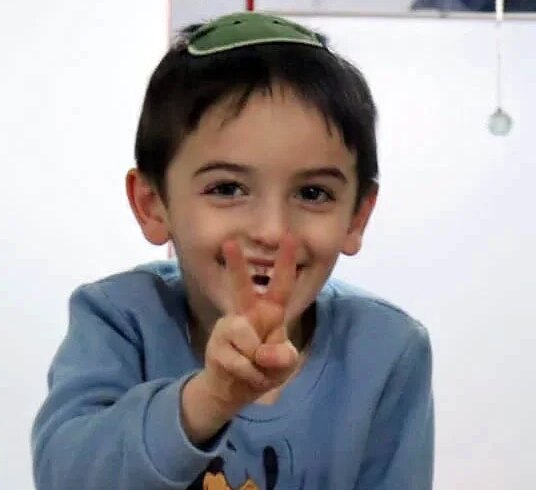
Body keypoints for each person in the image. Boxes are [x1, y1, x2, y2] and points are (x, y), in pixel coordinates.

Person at [31, 11, 434, 490]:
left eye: (313, 193)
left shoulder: (387, 349)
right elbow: (65, 476)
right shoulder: (118, 319)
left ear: (357, 216)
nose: (271, 231)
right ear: (152, 204)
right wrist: (210, 398)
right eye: (227, 188)